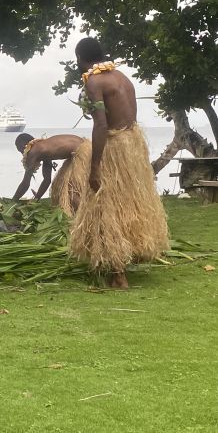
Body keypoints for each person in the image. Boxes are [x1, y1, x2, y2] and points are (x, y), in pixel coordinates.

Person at [69, 37, 168, 289]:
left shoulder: (94, 81)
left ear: (81, 57)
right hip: (133, 146)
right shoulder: (122, 77)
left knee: (106, 207)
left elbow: (101, 125)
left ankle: (117, 273)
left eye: (77, 59)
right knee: (129, 204)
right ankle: (129, 256)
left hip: (114, 147)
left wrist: (94, 166)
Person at [12, 133, 91, 216]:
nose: (22, 154)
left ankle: (85, 216)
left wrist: (13, 201)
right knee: (60, 187)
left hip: (82, 151)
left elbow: (25, 183)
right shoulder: (43, 149)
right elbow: (47, 180)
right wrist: (36, 199)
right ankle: (77, 214)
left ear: (25, 145)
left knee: (70, 189)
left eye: (20, 150)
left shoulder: (33, 152)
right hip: (80, 148)